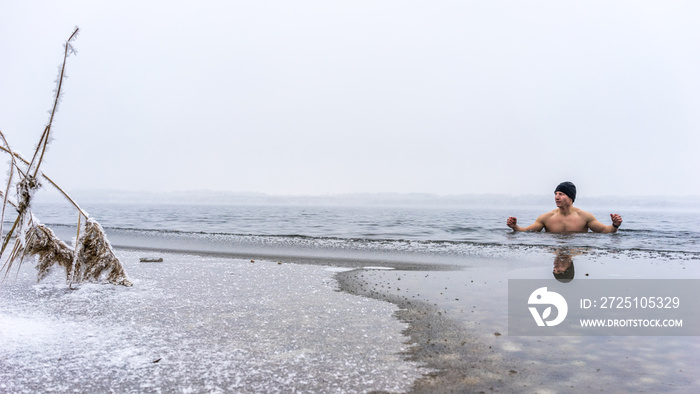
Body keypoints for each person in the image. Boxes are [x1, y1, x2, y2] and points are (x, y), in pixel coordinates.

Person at [506, 181, 622, 233]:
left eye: (561, 194)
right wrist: (515, 227)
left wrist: (615, 225)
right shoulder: (546, 217)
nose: (557, 197)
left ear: (571, 198)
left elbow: (605, 231)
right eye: (556, 194)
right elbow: (527, 231)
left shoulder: (584, 216)